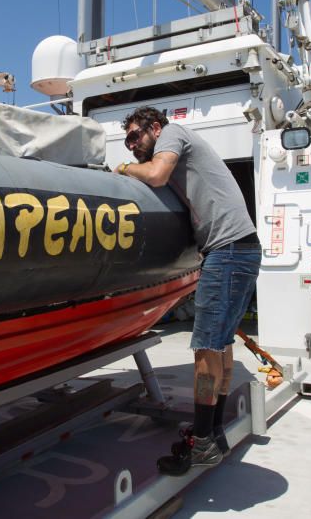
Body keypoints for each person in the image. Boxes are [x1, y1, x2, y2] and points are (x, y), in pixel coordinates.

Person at [114, 106, 260, 476]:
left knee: (206, 345)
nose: (132, 145)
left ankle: (203, 443)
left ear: (155, 128)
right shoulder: (181, 146)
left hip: (227, 251)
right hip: (241, 248)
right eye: (127, 141)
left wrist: (123, 169)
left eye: (135, 136)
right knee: (222, 343)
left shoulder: (173, 134)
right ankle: (212, 433)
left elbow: (157, 174)